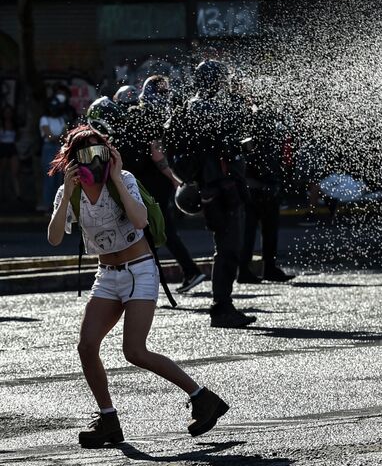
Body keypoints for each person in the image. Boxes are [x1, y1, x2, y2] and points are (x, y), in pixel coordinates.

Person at [46, 125, 229, 448]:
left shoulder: (124, 180)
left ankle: (202, 398)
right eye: (84, 154)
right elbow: (55, 237)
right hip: (107, 274)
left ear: (108, 154)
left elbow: (141, 221)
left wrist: (116, 178)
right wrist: (66, 192)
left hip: (140, 271)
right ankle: (108, 420)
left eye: (98, 151)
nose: (93, 160)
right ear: (73, 160)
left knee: (134, 351)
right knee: (87, 346)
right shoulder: (70, 192)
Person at [93, 78, 207, 294]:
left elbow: (155, 154)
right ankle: (174, 274)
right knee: (152, 232)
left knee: (156, 231)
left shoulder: (133, 120)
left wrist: (175, 180)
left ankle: (181, 273)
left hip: (149, 185)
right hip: (151, 184)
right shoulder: (144, 117)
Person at [166, 60, 251, 328]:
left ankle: (223, 305)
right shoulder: (206, 107)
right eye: (222, 80)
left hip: (214, 189)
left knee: (226, 248)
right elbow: (217, 145)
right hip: (219, 189)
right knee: (228, 249)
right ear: (215, 81)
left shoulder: (194, 106)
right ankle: (221, 308)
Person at [239, 103, 295, 283]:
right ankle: (256, 269)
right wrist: (270, 182)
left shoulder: (250, 124)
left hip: (257, 185)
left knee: (259, 230)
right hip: (258, 186)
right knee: (258, 230)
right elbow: (264, 158)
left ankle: (259, 268)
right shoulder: (261, 126)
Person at [39, 96, 68, 212]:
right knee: (49, 177)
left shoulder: (61, 119)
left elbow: (65, 135)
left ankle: (58, 205)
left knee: (59, 178)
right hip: (49, 148)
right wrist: (58, 137)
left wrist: (56, 137)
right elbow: (48, 135)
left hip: (59, 149)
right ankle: (48, 205)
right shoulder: (44, 119)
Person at [0, 104, 21, 202]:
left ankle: (18, 195)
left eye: (9, 112)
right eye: (6, 112)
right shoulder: (1, 124)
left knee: (14, 173)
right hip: (3, 147)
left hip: (12, 147)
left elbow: (18, 137)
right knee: (2, 172)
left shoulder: (15, 124)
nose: (8, 114)